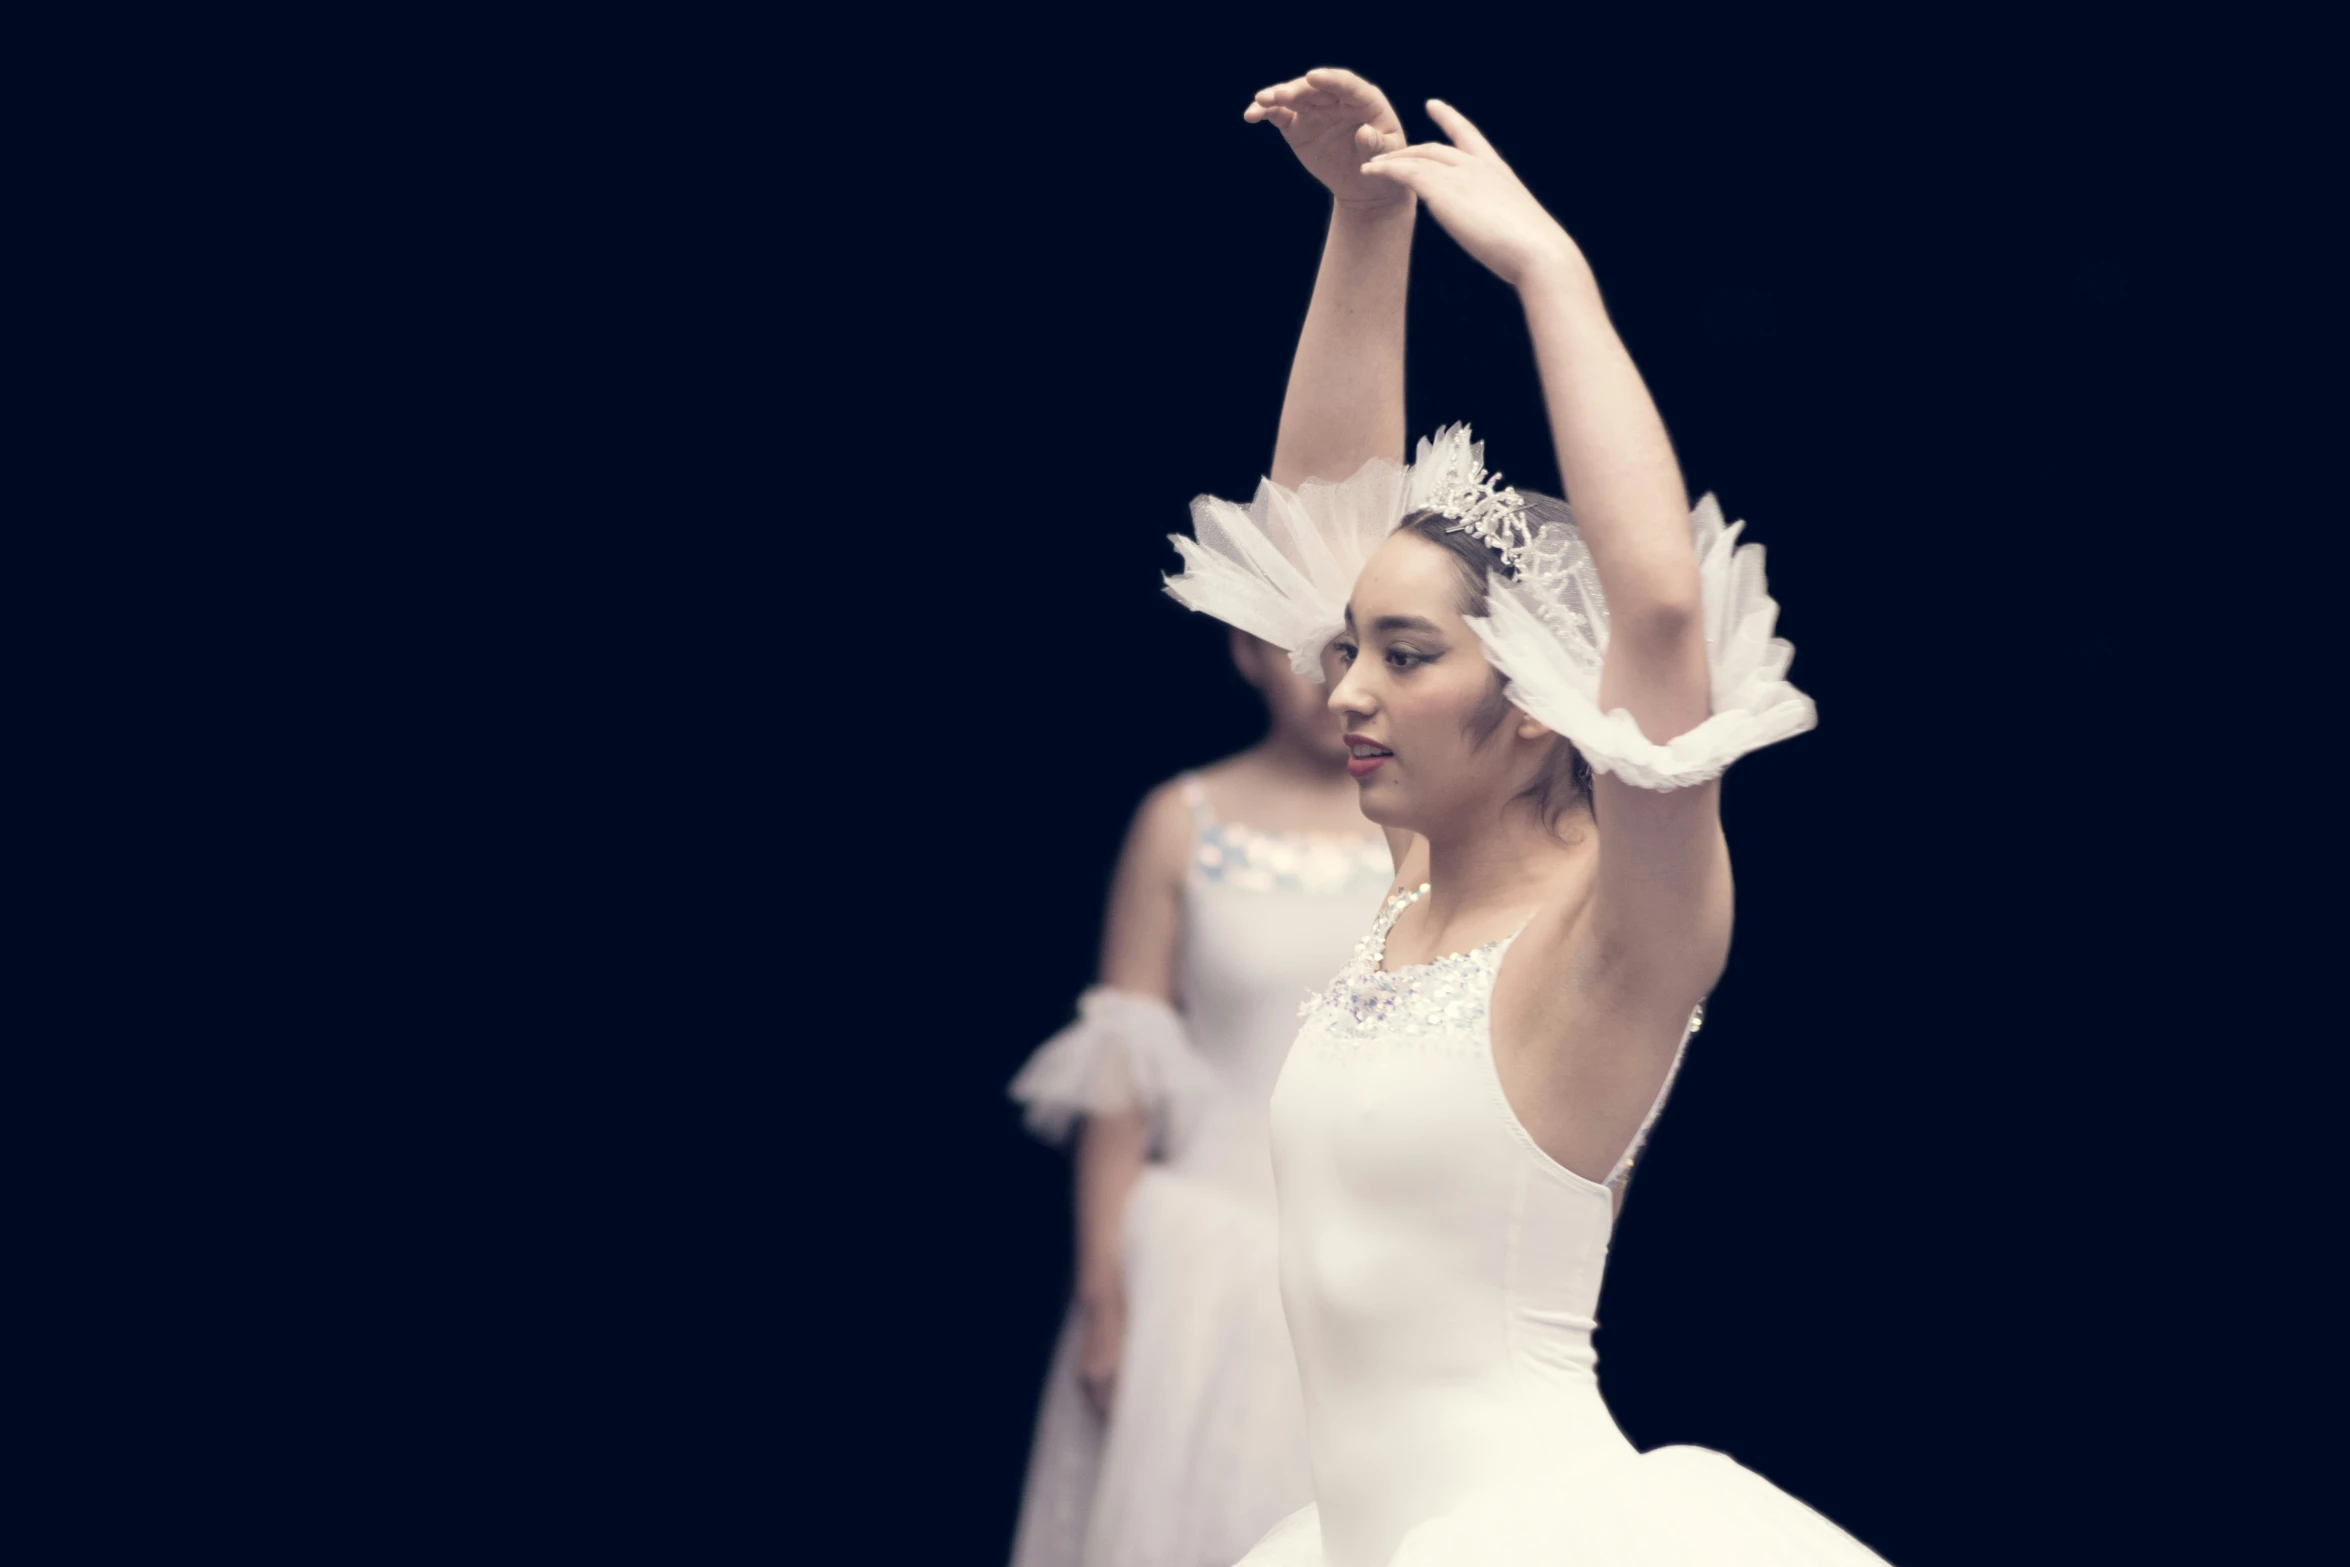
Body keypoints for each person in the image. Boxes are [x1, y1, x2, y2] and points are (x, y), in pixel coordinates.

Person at [1162, 67, 1888, 1567]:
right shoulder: (1410, 882)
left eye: (1405, 656)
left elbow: (1666, 612)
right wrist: (1367, 224)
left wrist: (1549, 272)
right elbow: (1316, 533)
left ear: (1541, 700)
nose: (1344, 689)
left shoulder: (1616, 935)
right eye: (1350, 650)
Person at [1007, 72, 1415, 1558]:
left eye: (1364, 645)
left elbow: (1341, 542)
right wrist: (1108, 1291)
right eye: (1301, 644)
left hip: (1360, 1263)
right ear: (1240, 645)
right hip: (1193, 1257)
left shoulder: (1416, 823)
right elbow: (1126, 1070)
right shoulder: (1180, 817)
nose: (1334, 678)